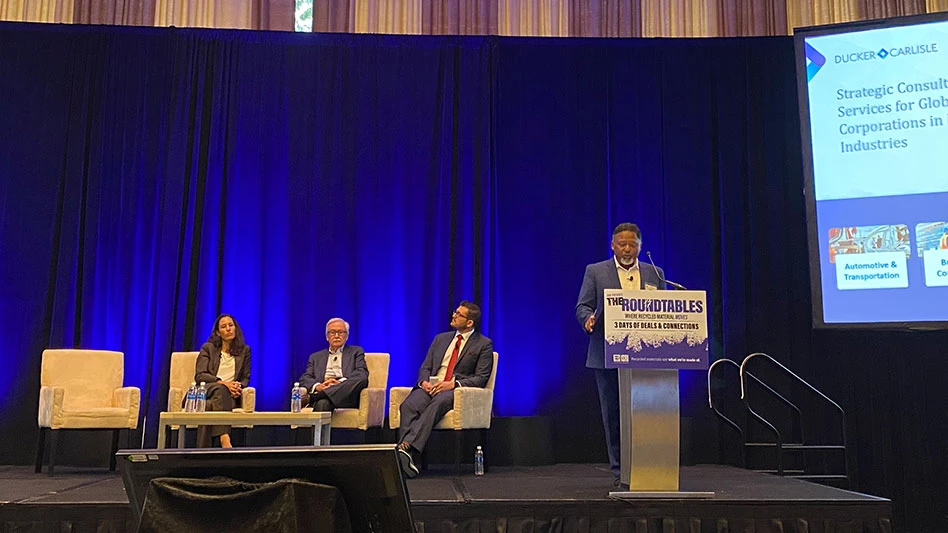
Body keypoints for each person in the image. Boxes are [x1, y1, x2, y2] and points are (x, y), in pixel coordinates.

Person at [575, 223, 665, 487]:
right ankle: (620, 472)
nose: (627, 249)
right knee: (614, 414)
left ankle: (649, 466)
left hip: (648, 355)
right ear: (613, 245)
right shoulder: (595, 271)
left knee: (646, 413)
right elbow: (583, 305)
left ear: (640, 246)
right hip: (607, 353)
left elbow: (664, 307)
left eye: (632, 244)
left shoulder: (655, 273)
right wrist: (588, 320)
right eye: (622, 244)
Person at [396, 301, 494, 478]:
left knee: (437, 403)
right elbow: (425, 367)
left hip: (454, 391)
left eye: (459, 314)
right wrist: (424, 383)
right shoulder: (440, 339)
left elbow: (481, 378)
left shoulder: (483, 344)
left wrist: (453, 384)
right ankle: (406, 458)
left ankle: (406, 448)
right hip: (431, 387)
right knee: (408, 405)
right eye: (455, 312)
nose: (454, 315)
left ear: (470, 322)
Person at [194, 314, 251, 448]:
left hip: (226, 397)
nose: (228, 329)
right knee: (220, 389)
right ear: (218, 333)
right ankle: (224, 438)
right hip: (204, 391)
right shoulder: (208, 348)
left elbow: (245, 378)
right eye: (224, 327)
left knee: (208, 407)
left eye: (231, 325)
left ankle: (202, 454)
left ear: (235, 328)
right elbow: (200, 375)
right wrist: (224, 383)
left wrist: (238, 386)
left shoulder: (245, 351)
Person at [297, 318, 369, 412]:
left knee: (362, 379)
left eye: (341, 332)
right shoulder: (315, 357)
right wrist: (318, 386)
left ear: (346, 336)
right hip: (325, 394)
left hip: (345, 395)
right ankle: (323, 396)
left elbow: (361, 374)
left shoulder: (356, 352)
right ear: (327, 336)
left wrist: (341, 383)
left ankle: (318, 396)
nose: (336, 336)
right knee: (322, 403)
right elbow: (305, 377)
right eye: (332, 332)